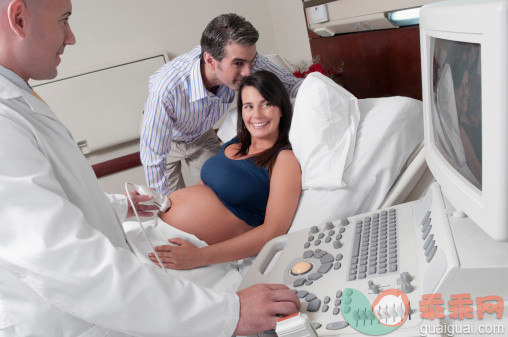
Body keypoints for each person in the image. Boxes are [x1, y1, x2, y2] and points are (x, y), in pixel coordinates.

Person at [0, 0, 300, 336]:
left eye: (266, 104)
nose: (71, 38)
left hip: (172, 230)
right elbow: (65, 256)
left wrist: (118, 207)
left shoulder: (280, 155)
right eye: (64, 19)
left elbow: (54, 197)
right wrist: (228, 314)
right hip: (77, 307)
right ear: (19, 18)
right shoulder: (172, 88)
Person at [146, 71, 302, 270]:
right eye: (249, 106)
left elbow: (273, 231)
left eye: (266, 104)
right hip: (163, 233)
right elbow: (208, 190)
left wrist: (198, 257)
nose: (257, 114)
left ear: (281, 109)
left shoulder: (283, 159)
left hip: (195, 254)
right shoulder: (235, 143)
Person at [141, 13, 302, 196]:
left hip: (202, 134)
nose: (248, 72)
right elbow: (153, 158)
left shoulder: (244, 60)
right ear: (210, 60)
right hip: (168, 140)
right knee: (172, 204)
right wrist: (163, 205)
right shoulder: (167, 89)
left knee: (219, 192)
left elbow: (292, 85)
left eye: (251, 60)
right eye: (239, 63)